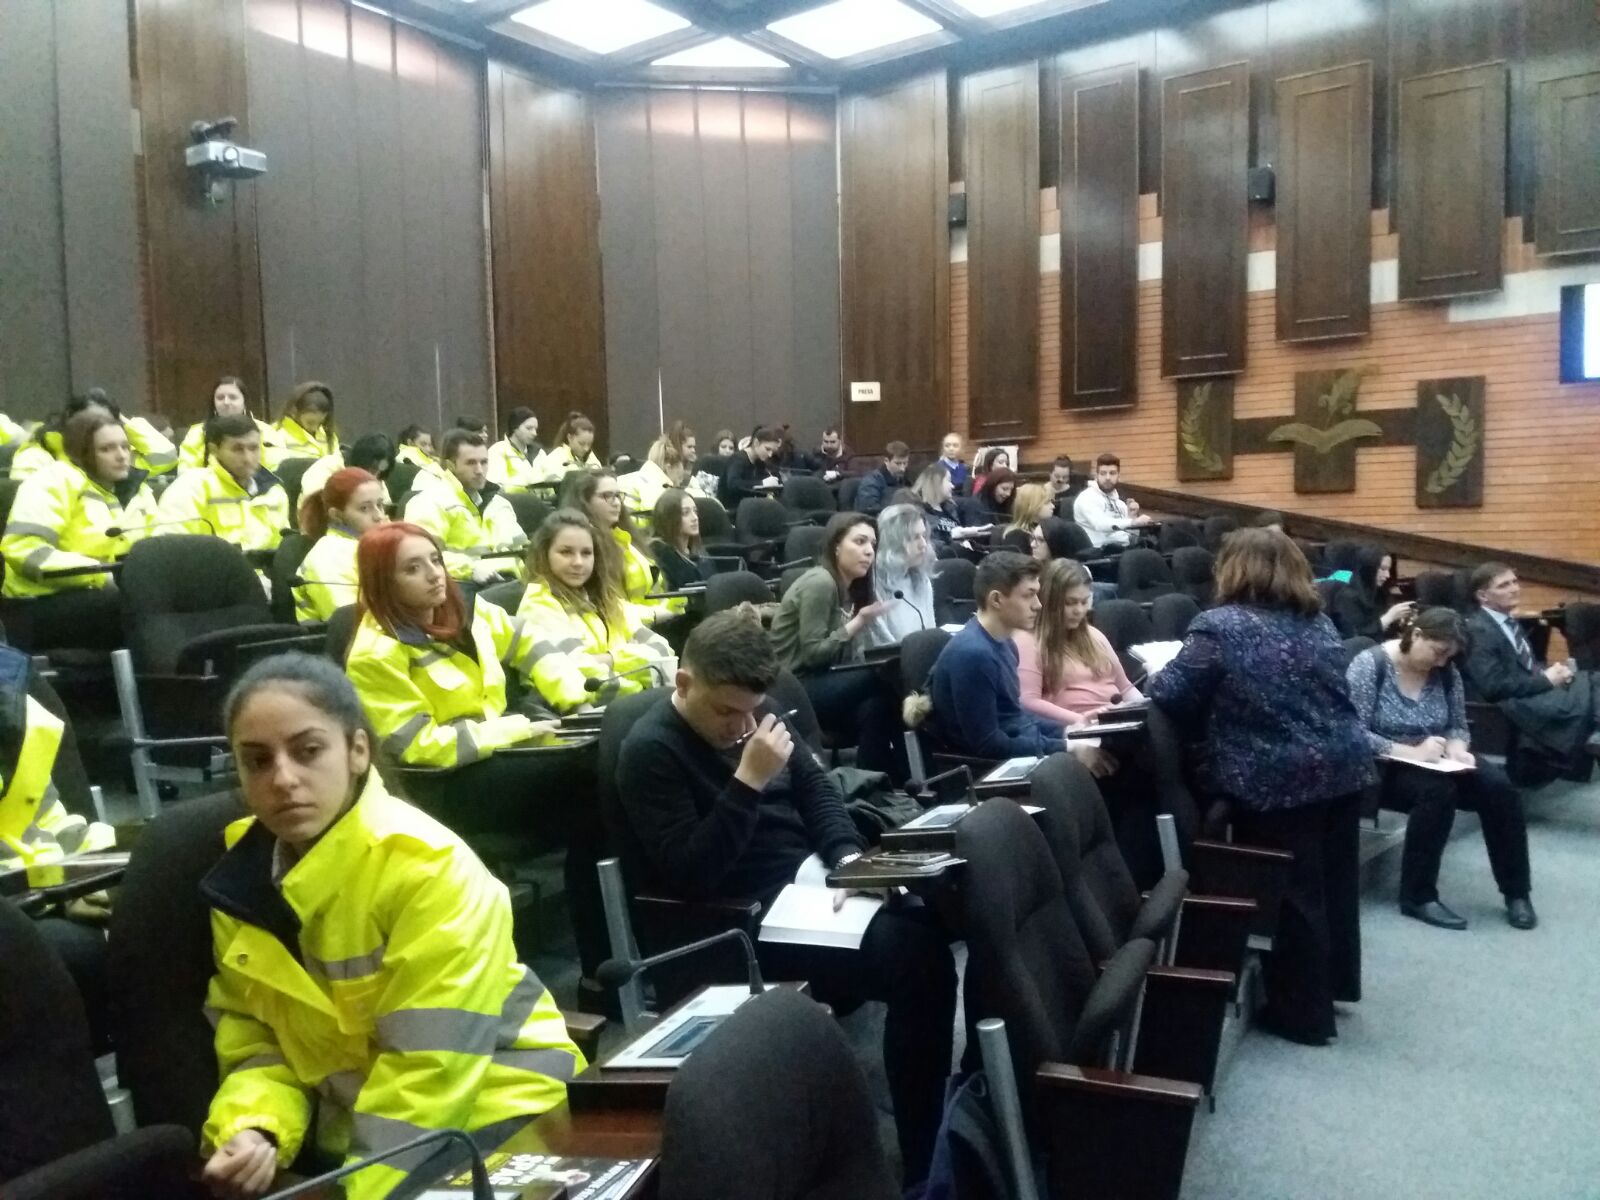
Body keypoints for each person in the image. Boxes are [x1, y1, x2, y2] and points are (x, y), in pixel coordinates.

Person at [198, 653, 581, 1200]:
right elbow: (257, 1038)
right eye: (257, 761)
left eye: (308, 751)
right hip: (363, 1135)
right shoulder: (239, 884)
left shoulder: (429, 868)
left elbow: (431, 1073)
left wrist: (358, 1192)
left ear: (357, 751)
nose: (283, 778)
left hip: (502, 1109)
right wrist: (256, 1125)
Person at [614, 611, 956, 1186]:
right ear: (684, 683)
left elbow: (818, 791)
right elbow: (693, 874)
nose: (742, 726)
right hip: (742, 915)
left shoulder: (757, 712)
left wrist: (847, 861)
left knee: (938, 909)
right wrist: (747, 782)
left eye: (751, 711)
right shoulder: (650, 750)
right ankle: (923, 1163)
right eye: (726, 712)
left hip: (809, 879)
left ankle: (960, 1118)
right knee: (917, 961)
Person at [1148, 528, 1371, 1046]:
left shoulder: (1219, 625)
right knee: (1335, 885)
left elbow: (1173, 692)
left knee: (1295, 896)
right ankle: (1334, 987)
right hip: (1345, 765)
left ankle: (1305, 1017)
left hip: (1278, 776)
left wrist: (1159, 670)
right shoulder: (1318, 621)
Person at [1346, 607, 1535, 932]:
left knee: (1499, 788)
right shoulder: (1370, 664)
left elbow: (1457, 725)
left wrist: (1459, 748)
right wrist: (1410, 751)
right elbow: (1352, 732)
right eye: (1438, 651)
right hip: (1383, 764)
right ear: (1417, 635)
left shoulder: (1446, 671)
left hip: (1436, 758)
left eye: (1449, 656)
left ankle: (1517, 892)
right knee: (1436, 792)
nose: (1442, 661)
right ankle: (1418, 896)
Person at [1016, 558, 1159, 880]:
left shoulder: (1094, 636)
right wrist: (1080, 720)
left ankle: (1149, 869)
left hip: (1114, 724)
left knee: (1158, 753)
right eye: (1070, 603)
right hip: (1078, 732)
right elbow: (1028, 702)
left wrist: (1146, 709)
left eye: (1084, 602)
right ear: (1052, 600)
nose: (1079, 610)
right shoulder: (1030, 642)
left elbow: (1125, 688)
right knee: (1139, 776)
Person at [2, 410, 158, 648]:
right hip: (37, 602)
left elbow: (155, 547)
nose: (121, 456)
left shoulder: (135, 490)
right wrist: (99, 574)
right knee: (139, 608)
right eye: (107, 449)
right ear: (81, 452)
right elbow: (24, 549)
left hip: (106, 593)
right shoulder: (52, 481)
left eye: (125, 447)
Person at [769, 512, 903, 779]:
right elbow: (813, 655)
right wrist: (858, 622)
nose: (869, 551)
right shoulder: (821, 583)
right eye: (860, 541)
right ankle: (917, 766)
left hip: (823, 681)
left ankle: (872, 785)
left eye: (872, 544)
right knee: (886, 674)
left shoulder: (848, 589)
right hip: (794, 687)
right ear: (836, 546)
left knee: (876, 708)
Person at [516, 510, 672, 712]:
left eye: (586, 553)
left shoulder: (606, 599)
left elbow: (663, 652)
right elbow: (579, 676)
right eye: (566, 552)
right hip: (576, 714)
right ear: (544, 554)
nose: (578, 562)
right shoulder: (538, 604)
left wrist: (607, 659)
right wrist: (637, 671)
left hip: (630, 704)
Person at [918, 552, 1065, 759]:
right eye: (1028, 595)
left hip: (1019, 750)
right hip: (987, 769)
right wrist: (1065, 747)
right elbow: (989, 745)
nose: (1038, 605)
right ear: (996, 599)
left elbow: (1015, 717)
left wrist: (1068, 731)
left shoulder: (1006, 643)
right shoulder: (973, 655)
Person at [1461, 561, 1600, 771]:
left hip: (1530, 689)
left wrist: (1550, 673)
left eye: (1514, 582)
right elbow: (1493, 687)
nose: (1514, 589)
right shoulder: (1478, 630)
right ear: (1483, 596)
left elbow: (1525, 666)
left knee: (1592, 678)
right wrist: (1546, 680)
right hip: (1514, 703)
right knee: (1593, 687)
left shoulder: (1510, 622)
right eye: (1504, 585)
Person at [403, 428, 524, 587]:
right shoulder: (429, 502)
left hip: (508, 581)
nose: (479, 471)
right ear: (450, 465)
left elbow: (519, 550)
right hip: (462, 584)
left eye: (484, 462)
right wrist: (471, 569)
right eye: (471, 463)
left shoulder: (498, 503)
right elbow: (423, 556)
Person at [157, 413, 289, 556]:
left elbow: (285, 548)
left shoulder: (274, 491)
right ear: (214, 450)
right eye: (237, 449)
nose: (248, 458)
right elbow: (172, 551)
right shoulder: (190, 487)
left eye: (253, 448)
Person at [560, 469, 671, 613]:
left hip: (650, 616)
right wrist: (657, 613)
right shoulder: (584, 545)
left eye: (618, 496)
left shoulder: (624, 537)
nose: (617, 503)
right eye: (607, 496)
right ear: (585, 501)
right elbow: (605, 605)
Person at [14, 388, 179, 481]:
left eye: (106, 421)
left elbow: (166, 456)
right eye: (89, 421)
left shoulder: (117, 457)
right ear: (69, 422)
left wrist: (122, 423)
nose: (98, 428)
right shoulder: (39, 454)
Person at [292, 467, 389, 624]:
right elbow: (349, 622)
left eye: (380, 504)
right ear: (337, 515)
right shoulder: (328, 557)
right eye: (364, 508)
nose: (379, 516)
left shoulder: (381, 543)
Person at [867, 503, 935, 649]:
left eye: (924, 536)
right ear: (893, 541)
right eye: (914, 537)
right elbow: (883, 646)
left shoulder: (922, 580)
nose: (923, 544)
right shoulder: (872, 585)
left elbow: (931, 635)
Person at [179, 378, 282, 473]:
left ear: (244, 402)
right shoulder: (197, 433)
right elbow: (185, 472)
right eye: (220, 398)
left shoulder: (265, 431)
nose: (226, 402)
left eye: (233, 397)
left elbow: (278, 469)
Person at [1328, 546, 1413, 641]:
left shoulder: (1380, 593)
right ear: (1368, 569)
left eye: (1388, 570)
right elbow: (1355, 636)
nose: (1387, 575)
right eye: (1383, 569)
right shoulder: (1347, 597)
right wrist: (1389, 617)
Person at [1072, 452, 1152, 550]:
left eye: (1112, 473)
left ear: (1119, 476)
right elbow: (1100, 524)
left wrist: (1132, 516)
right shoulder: (1087, 498)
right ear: (1096, 475)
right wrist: (1133, 522)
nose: (1108, 478)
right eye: (1103, 473)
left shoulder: (1120, 504)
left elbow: (1128, 533)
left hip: (1124, 549)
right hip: (1099, 552)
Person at [297, 432, 394, 501]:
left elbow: (385, 506)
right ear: (362, 459)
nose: (375, 475)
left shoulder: (376, 476)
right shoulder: (327, 466)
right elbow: (316, 504)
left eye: (380, 471)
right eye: (373, 469)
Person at [650, 487, 707, 591]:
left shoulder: (697, 552)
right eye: (686, 513)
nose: (695, 518)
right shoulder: (661, 555)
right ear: (669, 518)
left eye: (695, 511)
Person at [485, 406, 549, 494]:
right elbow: (494, 486)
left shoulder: (539, 453)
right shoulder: (498, 451)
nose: (534, 433)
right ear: (514, 427)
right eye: (529, 428)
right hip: (510, 500)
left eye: (535, 429)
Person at [619, 436, 687, 514]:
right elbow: (657, 515)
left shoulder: (634, 477)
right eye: (679, 477)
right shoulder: (657, 486)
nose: (679, 483)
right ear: (669, 468)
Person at [719, 425, 782, 509]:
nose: (770, 455)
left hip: (749, 507)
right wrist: (762, 484)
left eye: (773, 451)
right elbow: (733, 484)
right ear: (756, 443)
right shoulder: (738, 459)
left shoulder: (759, 462)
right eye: (767, 449)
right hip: (732, 508)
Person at [274, 381, 338, 460]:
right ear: (293, 412)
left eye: (320, 423)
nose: (315, 428)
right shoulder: (276, 435)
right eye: (310, 422)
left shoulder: (328, 435)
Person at [853, 441, 911, 514]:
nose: (902, 469)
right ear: (886, 461)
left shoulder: (905, 479)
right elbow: (869, 509)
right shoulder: (871, 481)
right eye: (898, 463)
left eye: (905, 463)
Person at [1001, 482, 1054, 559]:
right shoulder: (1016, 537)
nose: (1053, 506)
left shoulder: (1046, 529)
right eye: (1047, 503)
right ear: (1033, 506)